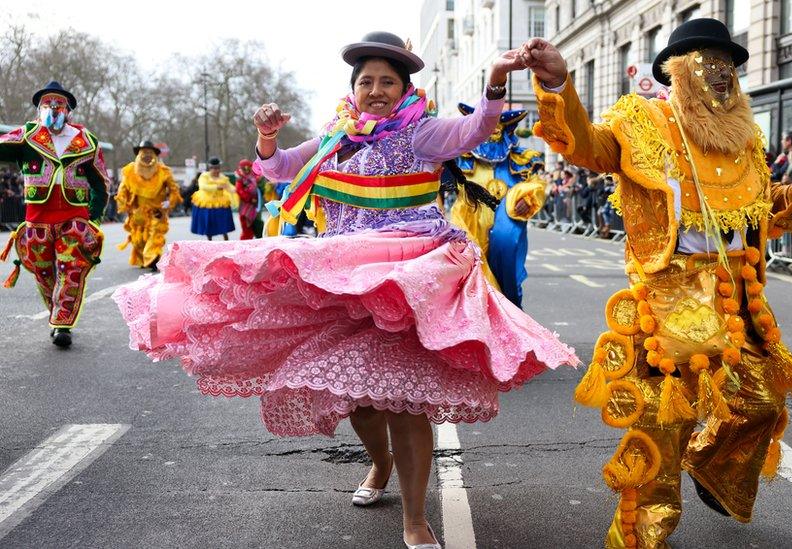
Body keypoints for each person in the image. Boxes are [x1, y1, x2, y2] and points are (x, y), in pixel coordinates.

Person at [113, 32, 577, 549]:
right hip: (344, 282)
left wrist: (494, 82)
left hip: (408, 283)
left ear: (404, 89)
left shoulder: (422, 133)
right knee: (360, 401)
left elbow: (473, 131)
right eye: (366, 81)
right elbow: (281, 169)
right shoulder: (337, 137)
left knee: (406, 403)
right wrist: (267, 140)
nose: (375, 90)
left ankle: (416, 519)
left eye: (387, 82)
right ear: (353, 88)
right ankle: (379, 466)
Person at [521, 18, 792, 548]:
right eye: (707, 63)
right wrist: (557, 85)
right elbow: (586, 147)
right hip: (670, 294)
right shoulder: (642, 121)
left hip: (738, 293)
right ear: (677, 71)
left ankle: (711, 465)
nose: (720, 75)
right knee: (663, 418)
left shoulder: (745, 138)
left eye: (728, 66)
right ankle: (648, 526)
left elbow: (757, 212)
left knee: (762, 404)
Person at [0, 81, 107, 348]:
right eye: (47, 103)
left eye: (59, 102)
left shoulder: (86, 141)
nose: (53, 107)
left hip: (75, 220)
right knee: (44, 272)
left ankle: (62, 323)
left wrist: (94, 216)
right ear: (39, 108)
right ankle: (56, 311)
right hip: (36, 222)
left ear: (68, 109)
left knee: (70, 269)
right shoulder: (27, 135)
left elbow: (101, 182)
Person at [448, 103, 546, 306]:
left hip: (506, 230)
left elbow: (536, 185)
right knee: (472, 281)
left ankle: (510, 323)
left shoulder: (519, 160)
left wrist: (526, 199)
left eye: (496, 126)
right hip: (470, 226)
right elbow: (435, 187)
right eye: (486, 125)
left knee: (509, 280)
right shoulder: (461, 158)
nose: (492, 131)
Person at [115, 140, 183, 270]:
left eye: (150, 153)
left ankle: (153, 258)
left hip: (156, 211)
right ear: (139, 154)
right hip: (138, 212)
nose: (147, 155)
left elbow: (174, 190)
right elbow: (122, 190)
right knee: (139, 240)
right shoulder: (130, 171)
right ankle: (144, 259)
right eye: (144, 152)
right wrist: (124, 202)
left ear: (155, 155)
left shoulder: (163, 171)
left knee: (155, 234)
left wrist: (169, 202)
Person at [190, 157, 235, 240]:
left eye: (218, 168)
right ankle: (210, 241)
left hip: (220, 202)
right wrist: (217, 187)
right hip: (207, 202)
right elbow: (203, 186)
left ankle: (226, 241)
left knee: (223, 223)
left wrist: (236, 189)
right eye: (214, 168)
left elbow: (229, 187)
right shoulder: (204, 176)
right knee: (209, 224)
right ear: (210, 168)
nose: (216, 171)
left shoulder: (222, 177)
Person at [234, 159, 265, 239]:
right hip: (245, 207)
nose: (247, 170)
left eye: (248, 168)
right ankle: (244, 246)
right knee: (247, 229)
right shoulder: (240, 179)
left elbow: (262, 189)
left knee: (258, 226)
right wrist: (250, 199)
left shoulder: (256, 178)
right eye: (244, 168)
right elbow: (240, 191)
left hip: (256, 207)